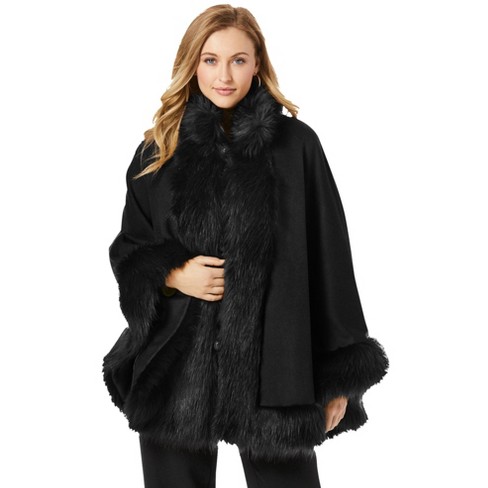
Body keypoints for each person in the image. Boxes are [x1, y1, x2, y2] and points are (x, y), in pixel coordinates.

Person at [102, 4, 389, 488]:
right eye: (210, 60)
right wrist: (174, 274)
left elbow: (331, 258)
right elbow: (129, 247)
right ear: (193, 64)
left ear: (257, 64)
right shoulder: (159, 148)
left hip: (277, 369)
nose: (224, 75)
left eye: (238, 60)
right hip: (177, 369)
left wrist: (339, 377)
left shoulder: (296, 146)